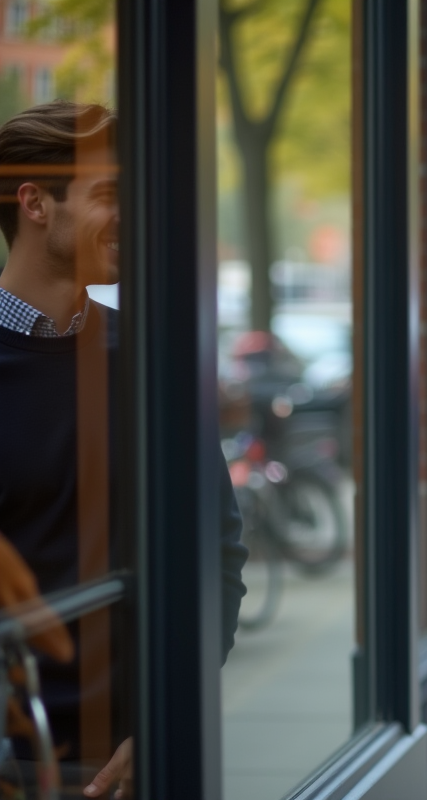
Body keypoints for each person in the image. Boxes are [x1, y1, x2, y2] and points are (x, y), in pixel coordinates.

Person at [0, 101, 247, 799]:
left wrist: (171, 719)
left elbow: (219, 553)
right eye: (110, 196)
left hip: (143, 761)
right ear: (35, 204)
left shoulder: (150, 354)